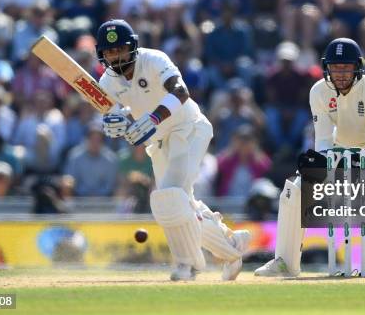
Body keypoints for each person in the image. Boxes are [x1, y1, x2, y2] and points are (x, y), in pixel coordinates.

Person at [255, 38, 365, 277]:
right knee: (294, 191)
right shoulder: (318, 91)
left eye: (346, 67)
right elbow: (324, 140)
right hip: (341, 148)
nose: (341, 74)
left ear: (358, 67)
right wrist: (323, 160)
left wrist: (354, 160)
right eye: (335, 68)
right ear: (327, 68)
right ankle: (285, 261)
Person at [96, 19, 251, 281]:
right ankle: (231, 247)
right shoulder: (107, 82)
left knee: (168, 196)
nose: (116, 57)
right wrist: (115, 126)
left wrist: (154, 118)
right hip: (158, 143)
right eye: (110, 52)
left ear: (132, 47)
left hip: (188, 129)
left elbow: (181, 92)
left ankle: (187, 264)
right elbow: (116, 118)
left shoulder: (154, 59)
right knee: (181, 204)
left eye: (120, 49)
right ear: (102, 54)